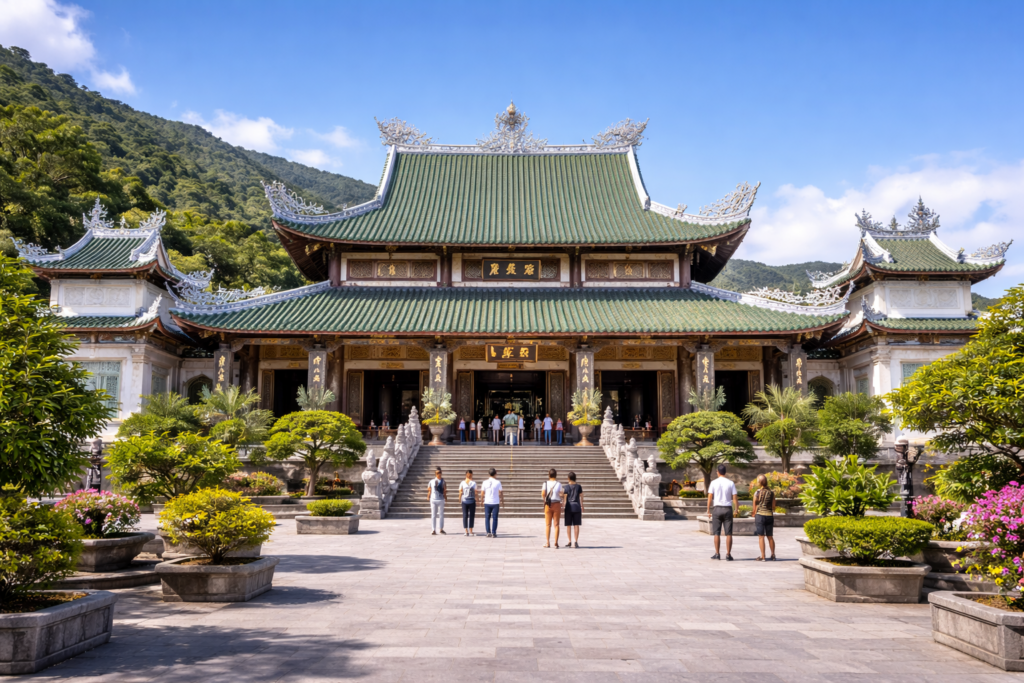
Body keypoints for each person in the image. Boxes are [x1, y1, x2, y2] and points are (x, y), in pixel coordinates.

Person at [706, 463, 738, 560]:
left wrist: (708, 510)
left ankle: (717, 553)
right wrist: (736, 509)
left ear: (718, 472)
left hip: (717, 508)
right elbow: (734, 497)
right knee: (729, 533)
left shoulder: (713, 483)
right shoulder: (731, 483)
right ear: (725, 472)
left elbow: (710, 497)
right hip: (727, 508)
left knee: (717, 532)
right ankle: (728, 554)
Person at [752, 474, 777, 561]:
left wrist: (754, 513)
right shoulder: (771, 493)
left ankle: (763, 556)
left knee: (761, 536)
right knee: (770, 536)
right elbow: (773, 506)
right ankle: (773, 555)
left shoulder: (757, 492)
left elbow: (754, 506)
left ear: (759, 482)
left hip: (760, 515)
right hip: (769, 516)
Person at [542, 468, 563, 548]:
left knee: (548, 524)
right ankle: (556, 542)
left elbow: (543, 494)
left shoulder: (545, 483)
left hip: (548, 504)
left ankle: (547, 542)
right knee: (556, 524)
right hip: (557, 504)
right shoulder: (559, 484)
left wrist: (544, 501)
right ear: (556, 475)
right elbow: (561, 494)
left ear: (549, 475)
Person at [562, 471, 584, 548]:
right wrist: (582, 505)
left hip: (568, 507)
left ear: (568, 478)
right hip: (577, 507)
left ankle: (569, 541)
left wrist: (563, 505)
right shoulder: (579, 487)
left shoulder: (566, 487)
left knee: (568, 525)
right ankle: (576, 541)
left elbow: (565, 498)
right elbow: (581, 496)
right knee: (576, 525)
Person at [481, 468, 504, 537]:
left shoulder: (485, 482)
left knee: (487, 518)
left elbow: (482, 492)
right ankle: (494, 532)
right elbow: (501, 492)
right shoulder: (498, 482)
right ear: (495, 474)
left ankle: (488, 532)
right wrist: (502, 500)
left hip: (487, 502)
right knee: (495, 518)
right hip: (495, 502)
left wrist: (482, 500)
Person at [427, 467, 447, 535]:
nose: (439, 474)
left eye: (440, 472)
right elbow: (429, 489)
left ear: (441, 473)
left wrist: (445, 498)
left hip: (441, 499)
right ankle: (433, 529)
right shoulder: (431, 481)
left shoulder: (443, 481)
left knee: (441, 515)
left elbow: (444, 490)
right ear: (435, 473)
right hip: (433, 499)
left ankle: (441, 529)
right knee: (433, 515)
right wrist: (428, 496)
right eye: (437, 473)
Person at [459, 470, 477, 536]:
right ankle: (466, 530)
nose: (469, 476)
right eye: (468, 475)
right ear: (466, 475)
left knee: (472, 516)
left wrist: (477, 500)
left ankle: (471, 530)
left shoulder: (474, 483)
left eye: (470, 475)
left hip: (472, 501)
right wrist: (459, 499)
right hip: (464, 501)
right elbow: (460, 491)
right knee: (465, 515)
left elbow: (476, 492)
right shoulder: (462, 483)